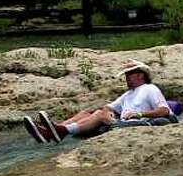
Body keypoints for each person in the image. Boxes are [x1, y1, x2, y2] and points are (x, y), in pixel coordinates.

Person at [23, 59, 174, 144]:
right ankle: (53, 131)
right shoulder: (128, 94)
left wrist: (139, 114)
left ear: (140, 75)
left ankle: (62, 131)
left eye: (129, 74)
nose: (126, 77)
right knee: (89, 112)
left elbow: (164, 111)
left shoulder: (150, 88)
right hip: (123, 120)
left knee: (100, 115)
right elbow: (108, 107)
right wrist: (95, 111)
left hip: (137, 121)